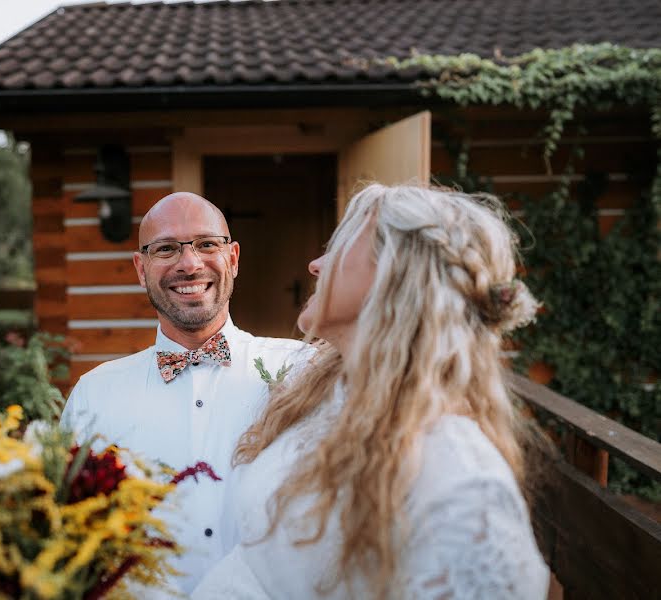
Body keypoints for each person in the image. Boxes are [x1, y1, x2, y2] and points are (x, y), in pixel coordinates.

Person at [192, 184, 549, 599]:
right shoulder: (325, 398)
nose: (315, 264)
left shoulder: (461, 484)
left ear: (395, 275)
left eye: (340, 246)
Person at [61, 192, 308, 596]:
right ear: (141, 269)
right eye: (166, 249)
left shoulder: (301, 372)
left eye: (207, 244)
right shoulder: (94, 395)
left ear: (233, 258)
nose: (189, 264)